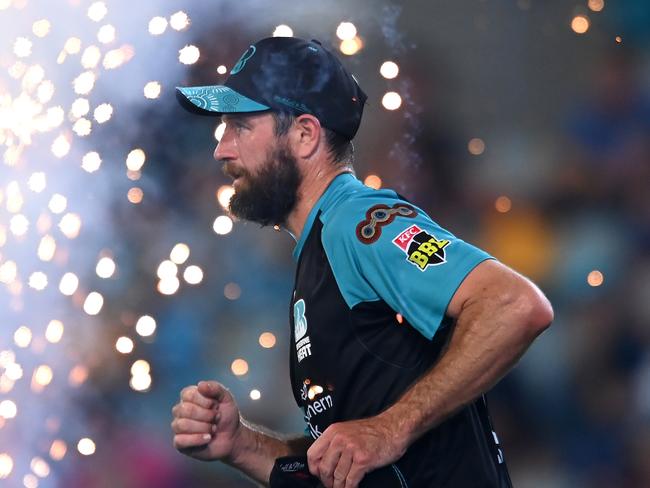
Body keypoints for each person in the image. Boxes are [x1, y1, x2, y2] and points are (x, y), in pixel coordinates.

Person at [172, 36, 553, 488]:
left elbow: (515, 305)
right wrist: (242, 445)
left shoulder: (356, 222)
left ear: (304, 135)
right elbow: (351, 459)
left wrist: (391, 427)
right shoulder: (321, 246)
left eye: (240, 125)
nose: (222, 149)